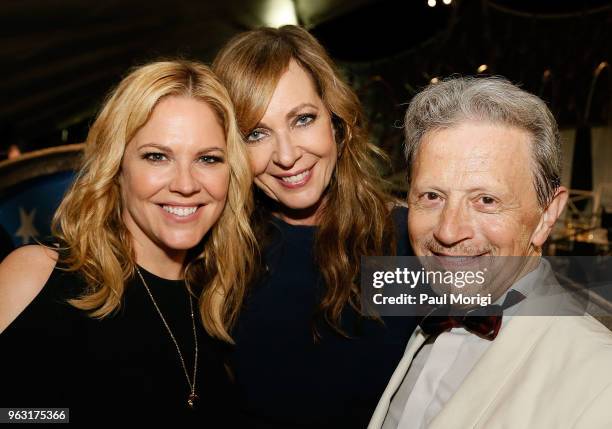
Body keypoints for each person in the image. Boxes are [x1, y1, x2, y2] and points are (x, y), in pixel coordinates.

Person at [0, 60, 255, 423]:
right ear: (117, 168)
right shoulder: (36, 275)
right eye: (157, 156)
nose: (185, 184)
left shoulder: (225, 300)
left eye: (208, 159)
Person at [369, 76, 612, 428]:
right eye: (432, 196)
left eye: (486, 200)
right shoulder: (425, 319)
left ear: (548, 215)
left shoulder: (599, 380)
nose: (448, 231)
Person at [213, 25, 417, 428]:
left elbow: (531, 308)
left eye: (303, 119)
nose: (287, 156)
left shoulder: (404, 239)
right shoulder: (222, 256)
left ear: (336, 122)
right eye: (256, 133)